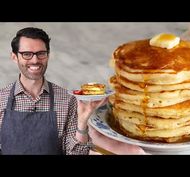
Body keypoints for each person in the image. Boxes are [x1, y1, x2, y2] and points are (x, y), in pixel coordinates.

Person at [0, 27, 146, 155]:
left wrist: (82, 121)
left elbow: (76, 153)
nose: (34, 60)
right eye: (27, 54)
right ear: (14, 57)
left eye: (41, 53)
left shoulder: (67, 99)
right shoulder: (1, 98)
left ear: (48, 56)